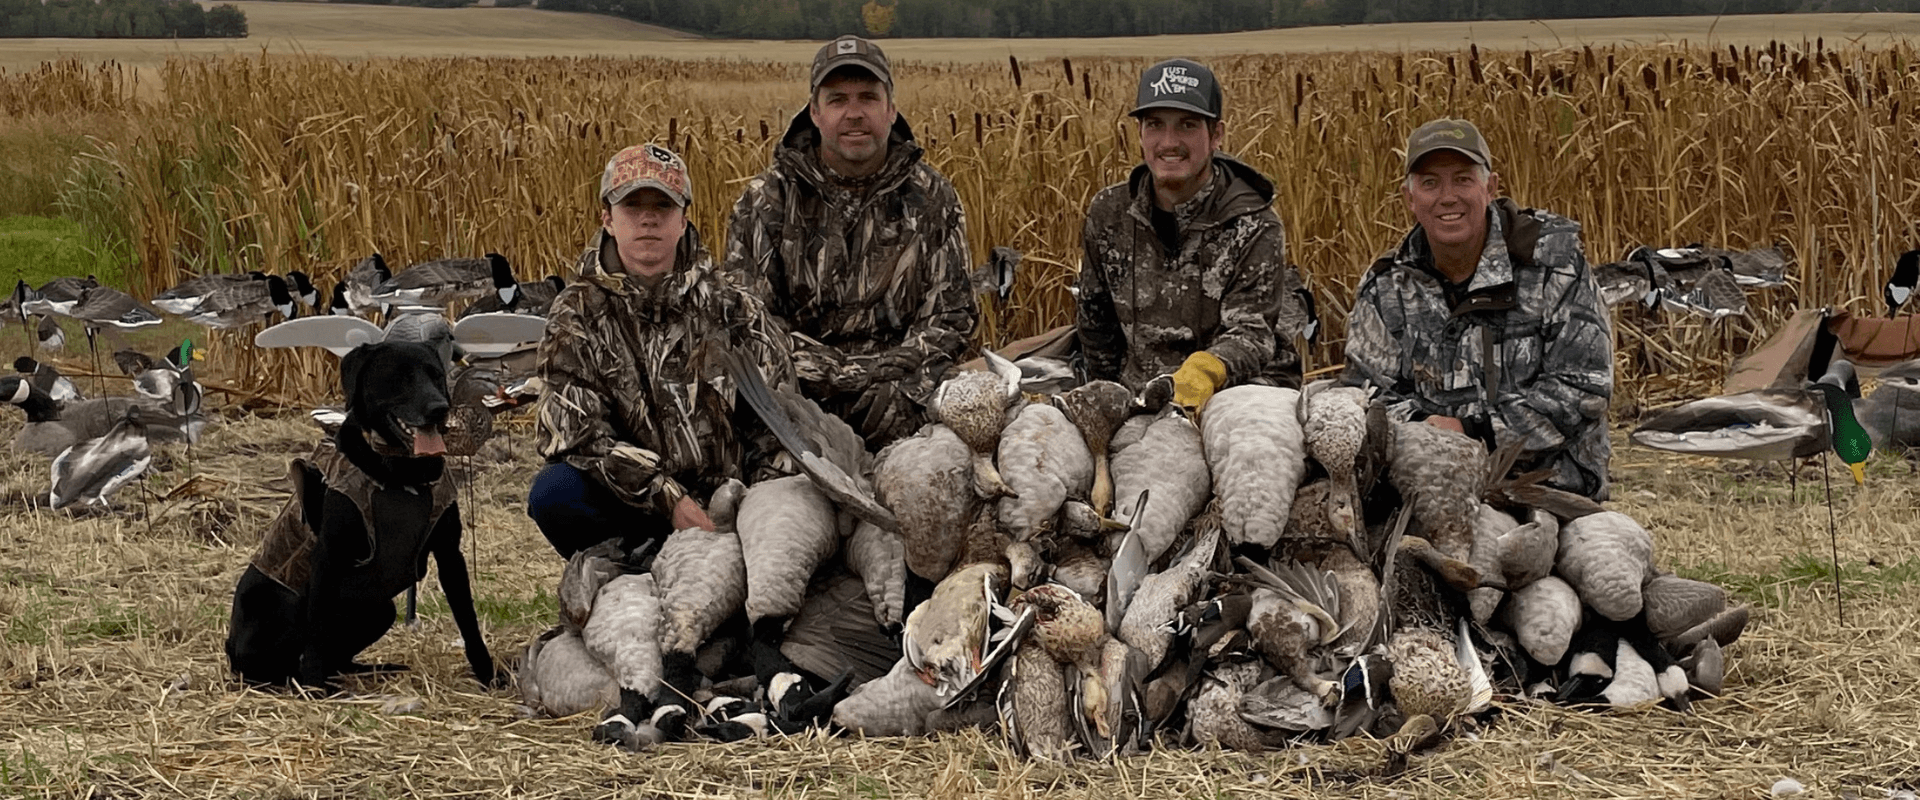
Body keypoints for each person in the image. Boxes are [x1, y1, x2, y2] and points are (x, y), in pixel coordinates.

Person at [529, 143, 793, 558]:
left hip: (731, 506)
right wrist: (668, 499)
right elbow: (575, 434)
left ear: (683, 220)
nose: (648, 218)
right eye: (633, 206)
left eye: (663, 206)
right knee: (555, 491)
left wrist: (750, 507)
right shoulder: (577, 312)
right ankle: (633, 565)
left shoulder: (733, 307)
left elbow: (777, 420)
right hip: (639, 505)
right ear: (608, 220)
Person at [721, 35, 976, 449]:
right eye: (838, 99)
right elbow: (748, 318)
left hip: (905, 398)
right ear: (815, 113)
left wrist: (893, 388)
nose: (854, 113)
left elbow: (952, 317)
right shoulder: (765, 201)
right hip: (798, 402)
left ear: (891, 110)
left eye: (868, 98)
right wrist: (836, 379)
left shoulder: (933, 198)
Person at [1343, 118, 1614, 499]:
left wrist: (1472, 433)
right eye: (1430, 183)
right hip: (1423, 488)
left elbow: (1583, 389)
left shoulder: (1555, 265)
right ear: (1410, 199)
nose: (1447, 196)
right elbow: (1363, 394)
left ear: (1491, 187)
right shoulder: (1387, 285)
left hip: (1547, 491)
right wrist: (1424, 429)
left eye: (1462, 179)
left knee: (1595, 552)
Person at [1075, 58, 1301, 413]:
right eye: (1155, 125)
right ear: (1139, 134)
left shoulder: (1253, 223)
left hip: (1234, 396)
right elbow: (1096, 326)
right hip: (1142, 397)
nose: (1169, 142)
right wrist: (1105, 402)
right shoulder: (1109, 213)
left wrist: (1205, 372)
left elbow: (1252, 333)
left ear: (1216, 135)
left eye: (1187, 125)